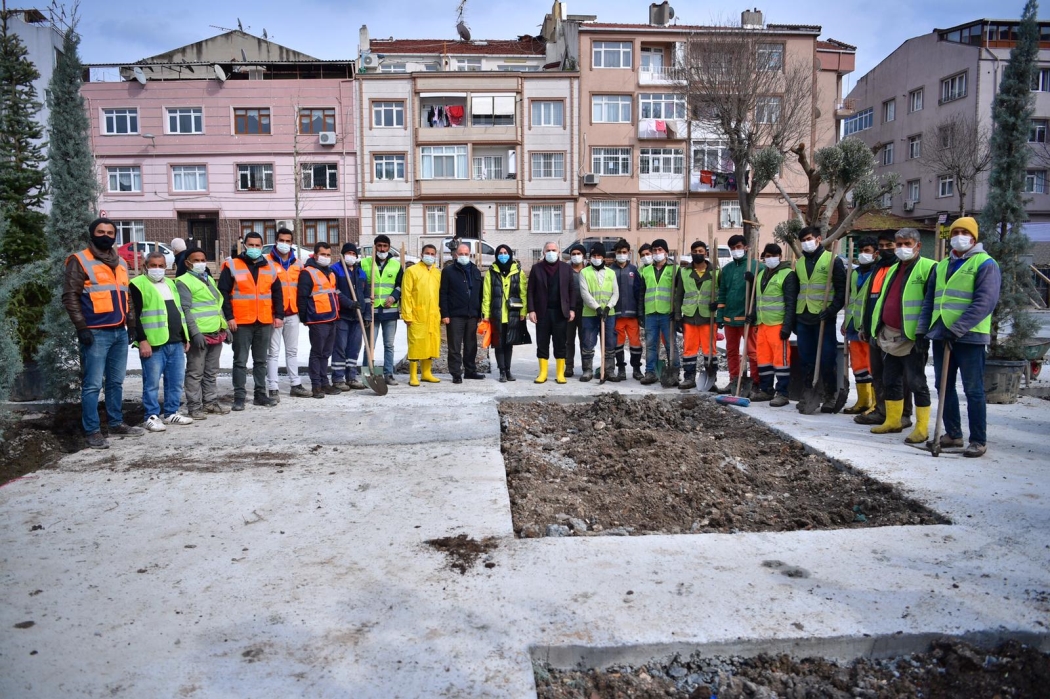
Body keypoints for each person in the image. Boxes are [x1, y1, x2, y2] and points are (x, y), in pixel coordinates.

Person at [918, 216, 1002, 458]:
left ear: (974, 237)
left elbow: (985, 303)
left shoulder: (986, 264)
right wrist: (924, 330)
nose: (959, 236)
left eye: (965, 232)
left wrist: (956, 329)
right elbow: (930, 301)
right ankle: (953, 434)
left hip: (970, 337)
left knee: (973, 389)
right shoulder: (942, 265)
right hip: (940, 333)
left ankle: (978, 440)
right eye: (956, 232)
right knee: (943, 387)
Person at [63, 218, 145, 448]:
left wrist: (132, 325)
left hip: (119, 330)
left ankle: (116, 422)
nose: (106, 235)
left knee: (116, 382)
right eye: (101, 231)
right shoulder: (79, 260)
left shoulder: (120, 263)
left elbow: (126, 296)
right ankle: (92, 430)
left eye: (110, 232)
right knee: (92, 385)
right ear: (92, 233)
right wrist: (82, 327)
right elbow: (70, 296)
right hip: (95, 332)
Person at [868, 229, 936, 443]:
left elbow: (930, 303)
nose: (901, 248)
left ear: (918, 245)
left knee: (916, 382)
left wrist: (923, 333)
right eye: (898, 244)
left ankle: (922, 427)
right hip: (890, 334)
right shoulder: (894, 269)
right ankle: (893, 420)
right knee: (891, 380)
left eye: (907, 243)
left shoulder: (929, 268)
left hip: (913, 337)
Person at [218, 232, 284, 411]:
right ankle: (239, 397)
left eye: (257, 245)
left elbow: (277, 293)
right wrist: (229, 317)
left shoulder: (270, 267)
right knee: (240, 361)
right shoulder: (232, 265)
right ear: (244, 246)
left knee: (260, 361)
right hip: (241, 321)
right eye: (251, 245)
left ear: (262, 247)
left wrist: (279, 315)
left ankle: (260, 394)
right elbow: (222, 292)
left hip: (263, 320)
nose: (254, 248)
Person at [129, 251, 192, 431]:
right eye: (153, 266)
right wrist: (142, 340)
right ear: (145, 267)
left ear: (166, 267)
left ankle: (171, 412)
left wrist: (184, 336)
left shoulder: (171, 283)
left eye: (161, 266)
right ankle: (151, 416)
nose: (157, 269)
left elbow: (178, 312)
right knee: (152, 383)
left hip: (175, 341)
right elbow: (134, 316)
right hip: (153, 343)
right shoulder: (137, 284)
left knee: (175, 380)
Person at [856, 232, 914, 428]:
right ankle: (882, 410)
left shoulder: (901, 270)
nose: (886, 249)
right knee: (879, 374)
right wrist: (866, 325)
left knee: (901, 376)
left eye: (890, 245)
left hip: (897, 331)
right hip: (875, 329)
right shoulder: (877, 269)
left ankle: (904, 414)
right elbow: (869, 300)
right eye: (882, 246)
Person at [793, 226, 846, 412]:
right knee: (806, 358)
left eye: (809, 238)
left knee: (826, 358)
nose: (806, 242)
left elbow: (841, 290)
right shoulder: (799, 263)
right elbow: (797, 290)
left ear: (818, 238)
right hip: (804, 317)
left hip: (824, 318)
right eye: (803, 240)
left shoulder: (832, 260)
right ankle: (809, 391)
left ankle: (830, 394)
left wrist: (832, 310)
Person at [176, 246, 229, 419]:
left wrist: (225, 327)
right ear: (187, 263)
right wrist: (194, 333)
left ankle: (210, 403)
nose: (200, 263)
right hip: (199, 334)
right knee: (195, 372)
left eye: (202, 260)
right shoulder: (183, 281)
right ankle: (194, 406)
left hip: (215, 332)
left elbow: (216, 305)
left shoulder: (207, 279)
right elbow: (186, 310)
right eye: (196, 260)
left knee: (211, 371)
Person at [749, 243, 798, 407]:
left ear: (779, 256)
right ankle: (766, 389)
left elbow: (791, 303)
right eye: (767, 256)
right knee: (763, 359)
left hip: (778, 324)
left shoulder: (787, 275)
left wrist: (787, 326)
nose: (770, 259)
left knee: (781, 360)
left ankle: (782, 392)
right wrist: (753, 316)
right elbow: (758, 299)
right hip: (762, 324)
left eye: (773, 256)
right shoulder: (761, 274)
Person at [266, 228, 309, 401]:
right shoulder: (266, 262)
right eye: (281, 240)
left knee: (292, 351)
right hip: (274, 313)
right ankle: (273, 387)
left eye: (288, 241)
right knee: (273, 352)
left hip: (293, 312)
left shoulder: (298, 263)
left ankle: (295, 384)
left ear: (292, 243)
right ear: (276, 241)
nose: (284, 244)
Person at [527, 241, 575, 384]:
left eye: (554, 250)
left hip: (560, 312)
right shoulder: (536, 269)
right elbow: (530, 291)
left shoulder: (566, 268)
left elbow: (572, 290)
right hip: (542, 312)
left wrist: (572, 309)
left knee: (560, 343)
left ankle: (560, 373)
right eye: (548, 250)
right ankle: (543, 373)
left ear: (559, 252)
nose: (551, 252)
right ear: (543, 252)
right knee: (542, 342)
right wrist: (531, 310)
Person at [717, 234, 759, 394]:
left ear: (746, 247)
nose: (736, 250)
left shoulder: (756, 267)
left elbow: (759, 293)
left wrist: (754, 313)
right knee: (731, 351)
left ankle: (756, 382)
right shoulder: (726, 270)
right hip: (729, 319)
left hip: (747, 319)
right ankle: (734, 380)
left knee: (752, 352)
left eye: (739, 247)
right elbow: (722, 293)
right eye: (733, 248)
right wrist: (720, 315)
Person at [298, 242, 341, 398]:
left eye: (328, 255)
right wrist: (304, 317)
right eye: (323, 254)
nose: (326, 257)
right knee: (317, 353)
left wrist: (350, 303)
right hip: (317, 319)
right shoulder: (307, 273)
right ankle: (316, 385)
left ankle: (324, 383)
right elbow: (302, 297)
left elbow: (335, 292)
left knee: (326, 353)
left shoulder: (330, 273)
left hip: (331, 317)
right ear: (315, 255)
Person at [841, 236, 878, 415]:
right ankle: (863, 400)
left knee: (872, 366)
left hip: (868, 327)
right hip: (853, 326)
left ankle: (875, 402)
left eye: (867, 251)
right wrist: (845, 322)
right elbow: (851, 300)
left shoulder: (877, 273)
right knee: (858, 366)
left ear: (875, 254)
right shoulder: (855, 273)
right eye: (862, 251)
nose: (864, 254)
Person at [675, 240, 719, 390]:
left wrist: (718, 305)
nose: (698, 254)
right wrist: (677, 316)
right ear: (691, 253)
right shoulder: (684, 272)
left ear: (706, 253)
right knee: (689, 349)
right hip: (690, 316)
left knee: (710, 350)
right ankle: (689, 378)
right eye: (695, 251)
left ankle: (711, 378)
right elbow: (678, 295)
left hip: (708, 317)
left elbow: (721, 293)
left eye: (700, 251)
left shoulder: (716, 272)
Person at [482, 244, 529, 382]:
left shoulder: (518, 271)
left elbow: (523, 293)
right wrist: (485, 314)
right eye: (500, 253)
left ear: (510, 254)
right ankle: (502, 371)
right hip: (496, 314)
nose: (503, 255)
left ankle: (508, 371)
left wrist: (523, 311)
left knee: (509, 343)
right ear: (496, 255)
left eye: (505, 252)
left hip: (513, 314)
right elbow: (487, 294)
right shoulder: (491, 272)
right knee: (498, 343)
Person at [361, 234, 403, 385]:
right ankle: (368, 375)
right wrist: (366, 297)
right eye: (379, 246)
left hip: (389, 311)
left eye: (385, 246)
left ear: (389, 247)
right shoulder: (365, 263)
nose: (382, 249)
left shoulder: (396, 265)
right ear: (374, 247)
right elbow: (360, 285)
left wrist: (394, 297)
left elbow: (399, 285)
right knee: (369, 344)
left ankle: (388, 374)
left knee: (389, 345)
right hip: (371, 311)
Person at [440, 243, 485, 383]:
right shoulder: (448, 271)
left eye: (466, 254)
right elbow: (443, 293)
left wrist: (480, 313)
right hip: (455, 315)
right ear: (455, 255)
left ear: (470, 254)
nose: (464, 256)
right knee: (455, 345)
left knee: (471, 345)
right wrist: (445, 314)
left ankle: (470, 371)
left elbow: (480, 293)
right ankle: (456, 373)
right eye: (461, 254)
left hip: (472, 315)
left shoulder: (475, 271)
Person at [402, 244, 442, 387]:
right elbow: (406, 294)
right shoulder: (412, 271)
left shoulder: (437, 273)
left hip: (433, 314)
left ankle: (426, 373)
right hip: (417, 314)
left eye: (432, 253)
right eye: (427, 253)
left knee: (430, 343)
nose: (429, 256)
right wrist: (407, 314)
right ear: (421, 254)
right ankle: (413, 375)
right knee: (416, 344)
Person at [578, 242, 619, 382]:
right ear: (590, 257)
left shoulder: (611, 273)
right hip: (590, 314)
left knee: (609, 343)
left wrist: (608, 307)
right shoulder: (584, 272)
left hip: (609, 314)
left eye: (599, 255)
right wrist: (597, 307)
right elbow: (585, 293)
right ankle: (587, 370)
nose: (596, 258)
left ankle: (609, 370)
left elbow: (615, 293)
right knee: (588, 342)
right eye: (594, 255)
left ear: (604, 257)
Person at [639, 238, 678, 385]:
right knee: (650, 344)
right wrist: (641, 313)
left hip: (667, 314)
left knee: (670, 344)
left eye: (660, 250)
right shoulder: (646, 271)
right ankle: (650, 372)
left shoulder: (675, 269)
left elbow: (678, 293)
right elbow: (642, 294)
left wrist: (677, 313)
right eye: (654, 250)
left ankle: (674, 371)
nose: (656, 253)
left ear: (666, 252)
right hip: (650, 313)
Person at [331, 243, 369, 391]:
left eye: (353, 253)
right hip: (342, 315)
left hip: (357, 317)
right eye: (348, 253)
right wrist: (349, 303)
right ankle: (338, 378)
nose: (351, 256)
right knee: (340, 347)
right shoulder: (335, 270)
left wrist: (366, 313)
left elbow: (366, 295)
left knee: (354, 348)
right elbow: (335, 291)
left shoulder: (361, 272)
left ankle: (351, 377)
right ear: (342, 254)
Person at [611, 239, 644, 381]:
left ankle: (636, 368)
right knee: (618, 343)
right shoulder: (610, 271)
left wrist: (639, 312)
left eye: (624, 252)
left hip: (632, 315)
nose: (621, 255)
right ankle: (621, 369)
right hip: (616, 314)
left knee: (635, 343)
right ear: (615, 253)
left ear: (629, 253)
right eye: (619, 252)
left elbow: (639, 292)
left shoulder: (634, 270)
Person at [563, 242, 587, 378]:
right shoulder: (566, 270)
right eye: (573, 254)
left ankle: (586, 366)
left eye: (579, 254)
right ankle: (569, 366)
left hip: (585, 311)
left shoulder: (588, 270)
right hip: (569, 311)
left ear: (583, 256)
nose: (576, 256)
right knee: (568, 340)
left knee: (585, 340)